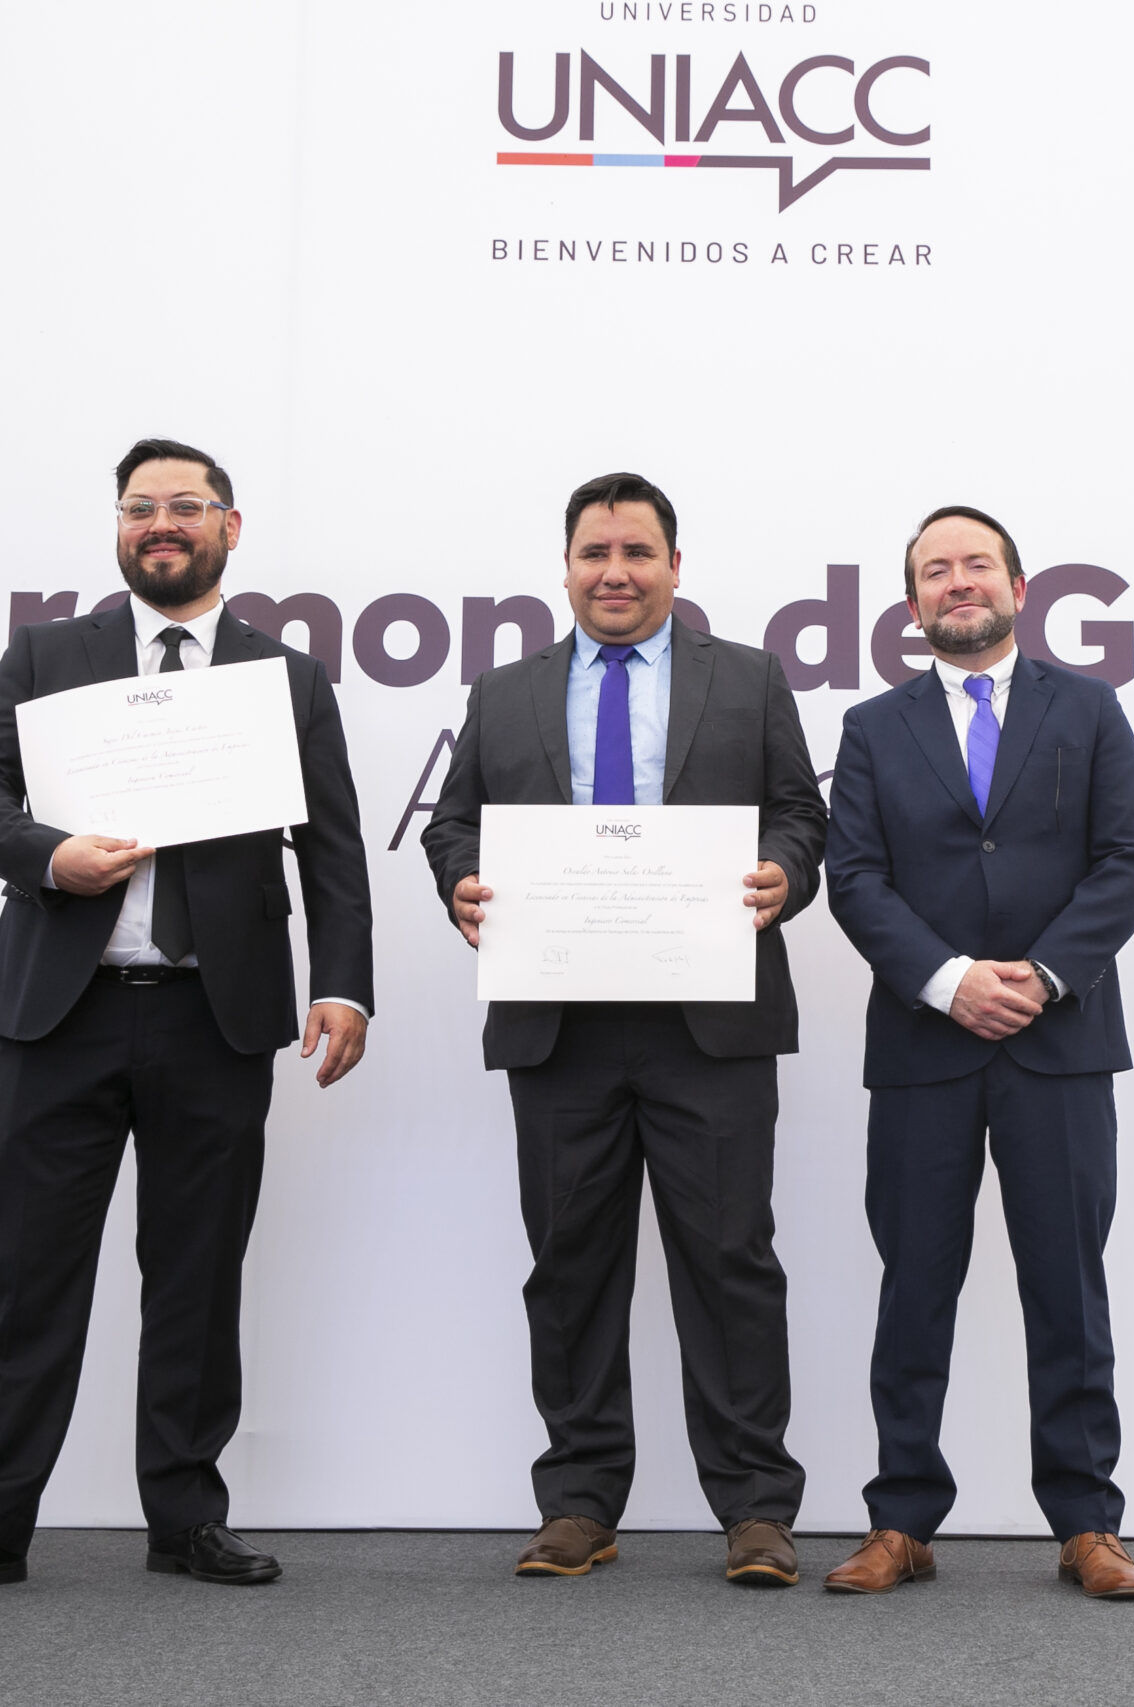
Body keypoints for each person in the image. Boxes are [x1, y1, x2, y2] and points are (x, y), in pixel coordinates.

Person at [0, 438, 373, 1597]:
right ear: (118, 528)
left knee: (196, 1279)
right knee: (26, 1279)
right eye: (139, 507)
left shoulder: (285, 678)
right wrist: (51, 856)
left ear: (229, 527)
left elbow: (333, 850)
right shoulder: (50, 654)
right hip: (61, 1016)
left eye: (185, 505)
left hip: (215, 1019)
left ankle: (186, 1519)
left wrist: (342, 984)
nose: (161, 524)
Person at [421, 471, 826, 1586]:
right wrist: (461, 882)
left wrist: (782, 872)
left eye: (637, 552)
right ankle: (580, 1501)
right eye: (594, 552)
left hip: (712, 1025)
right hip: (560, 1026)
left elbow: (802, 812)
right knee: (571, 1267)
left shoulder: (749, 678)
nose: (615, 572)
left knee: (730, 1263)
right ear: (564, 569)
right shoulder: (505, 691)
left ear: (675, 567)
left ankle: (756, 1507)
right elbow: (453, 824)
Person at [819, 504, 1134, 1599]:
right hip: (924, 1047)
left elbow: (1126, 859)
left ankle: (1087, 1523)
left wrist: (1042, 976)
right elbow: (854, 877)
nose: (956, 582)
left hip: (1060, 1044)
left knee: (1068, 1288)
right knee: (914, 1288)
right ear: (912, 600)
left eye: (976, 565)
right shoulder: (873, 727)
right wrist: (948, 979)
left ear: (1018, 586)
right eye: (935, 570)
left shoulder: (1089, 708)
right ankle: (901, 1521)